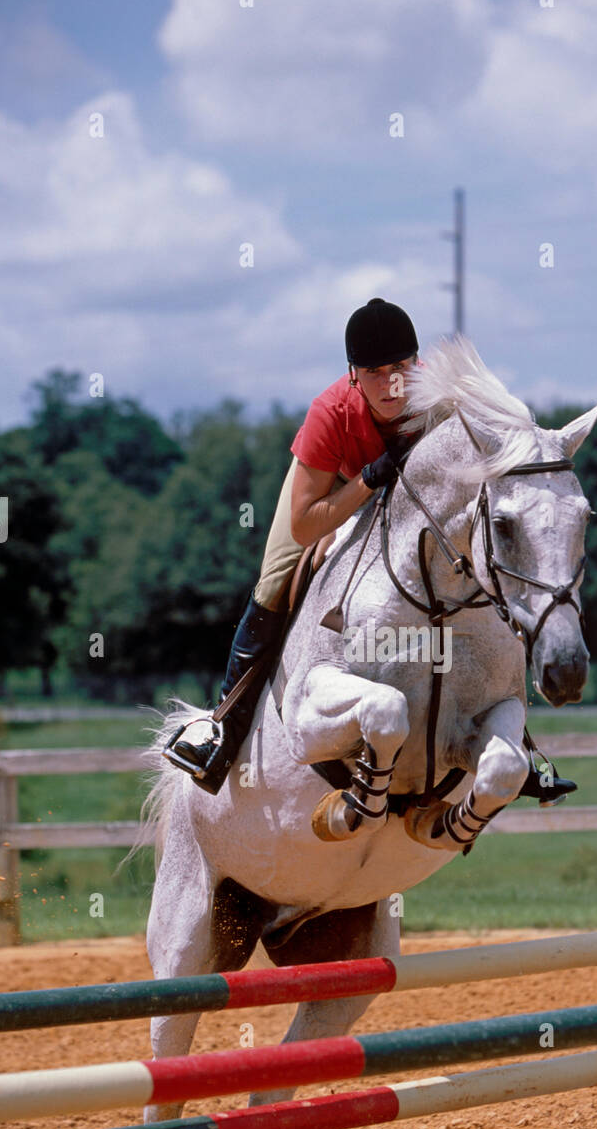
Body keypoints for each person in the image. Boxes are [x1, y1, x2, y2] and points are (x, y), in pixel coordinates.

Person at [167, 298, 424, 794]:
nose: (392, 384)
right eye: (374, 372)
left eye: (401, 368)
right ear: (353, 374)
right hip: (337, 488)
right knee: (276, 575)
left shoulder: (441, 395)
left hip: (417, 506)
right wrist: (369, 478)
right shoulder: (329, 413)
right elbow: (305, 525)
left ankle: (522, 739)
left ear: (417, 363)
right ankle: (224, 726)